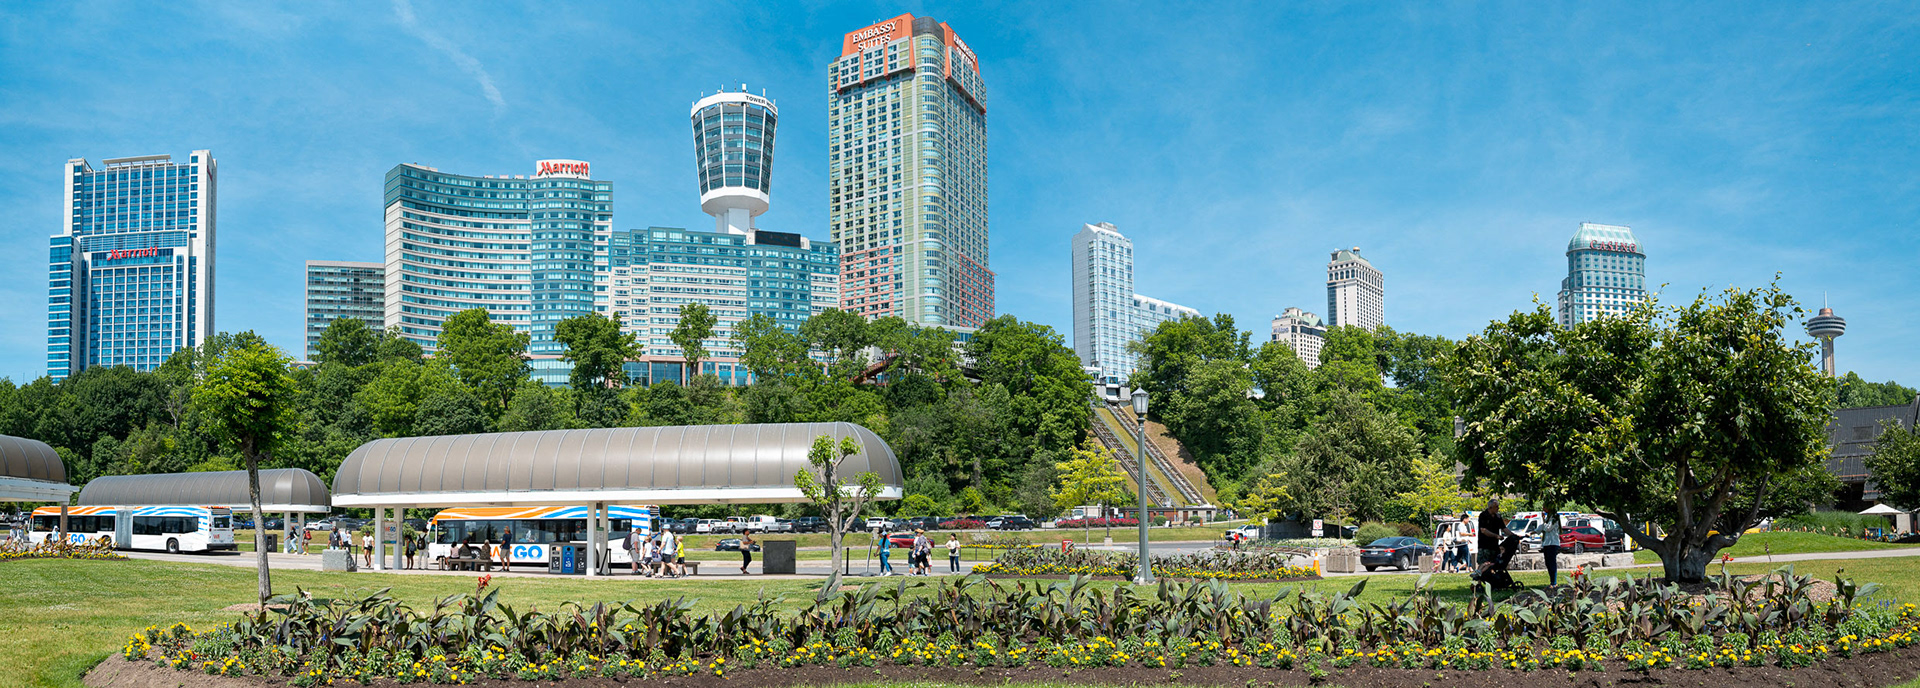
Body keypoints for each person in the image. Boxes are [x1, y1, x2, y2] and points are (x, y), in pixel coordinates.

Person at [1541, 511, 1563, 586]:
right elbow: (1542, 527)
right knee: (1548, 563)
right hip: (1547, 544)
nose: (1543, 509)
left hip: (1553, 543)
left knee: (1552, 563)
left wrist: (1543, 519)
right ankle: (1552, 582)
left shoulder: (1554, 518)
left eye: (1545, 506)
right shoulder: (1548, 518)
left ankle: (1554, 583)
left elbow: (1547, 528)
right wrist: (1532, 532)